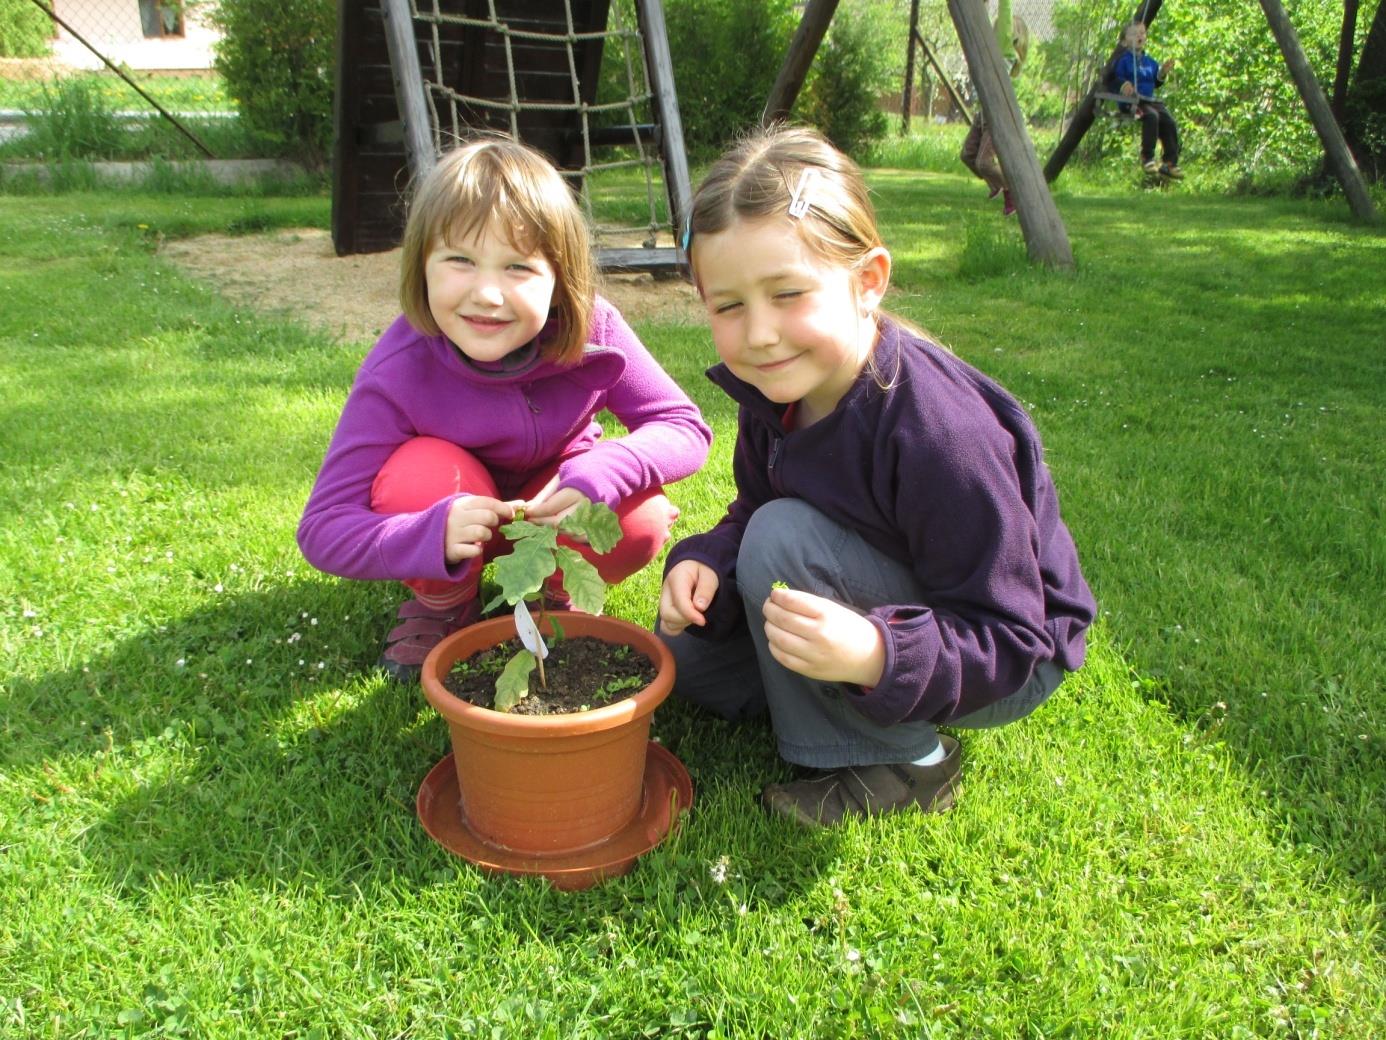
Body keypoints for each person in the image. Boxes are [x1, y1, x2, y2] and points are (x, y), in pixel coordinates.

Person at [657, 126, 1096, 828]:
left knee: (783, 538)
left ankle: (909, 767)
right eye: (729, 305)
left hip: (1007, 655)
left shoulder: (939, 431)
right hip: (896, 592)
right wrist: (707, 559)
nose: (760, 333)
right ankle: (818, 693)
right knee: (687, 653)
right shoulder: (778, 391)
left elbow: (1013, 635)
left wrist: (874, 654)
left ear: (868, 282)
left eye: (788, 292)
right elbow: (753, 506)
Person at [298, 135, 712, 682]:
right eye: (460, 261)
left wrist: (602, 470)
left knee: (640, 516)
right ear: (421, 266)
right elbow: (324, 528)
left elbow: (684, 426)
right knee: (419, 479)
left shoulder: (595, 327)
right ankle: (444, 603)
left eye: (518, 268)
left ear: (561, 279)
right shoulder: (398, 368)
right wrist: (428, 535)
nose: (487, 294)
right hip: (452, 511)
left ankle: (557, 596)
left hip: (552, 506)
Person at [958, 2, 1029, 216]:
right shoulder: (993, 54)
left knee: (984, 162)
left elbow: (1005, 20)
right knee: (967, 155)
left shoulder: (1007, 54)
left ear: (1014, 38)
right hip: (984, 114)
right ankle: (996, 184)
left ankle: (1011, 191)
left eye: (1002, 31)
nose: (997, 33)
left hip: (998, 116)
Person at [1111, 21, 1183, 179]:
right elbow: (1114, 78)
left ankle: (1170, 163)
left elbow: (1156, 82)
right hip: (1132, 103)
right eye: (1134, 33)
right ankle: (1147, 158)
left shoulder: (1150, 62)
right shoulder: (1123, 61)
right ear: (1124, 42)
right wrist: (1124, 85)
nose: (1140, 36)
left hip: (1149, 100)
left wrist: (1163, 72)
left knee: (1168, 121)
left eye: (1142, 33)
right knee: (1152, 116)